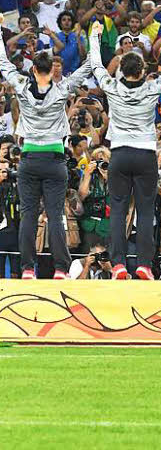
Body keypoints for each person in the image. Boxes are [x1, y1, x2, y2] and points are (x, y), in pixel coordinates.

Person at [0, 43, 91, 279]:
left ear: (32, 70)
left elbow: (3, 63)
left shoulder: (21, 85)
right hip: (54, 160)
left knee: (29, 215)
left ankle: (28, 269)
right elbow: (88, 66)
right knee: (55, 213)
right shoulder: (61, 89)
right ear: (52, 71)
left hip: (29, 159)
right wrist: (95, 35)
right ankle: (61, 269)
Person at [86, 22, 161, 279]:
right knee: (144, 211)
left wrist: (94, 37)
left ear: (121, 69)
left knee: (119, 209)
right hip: (145, 155)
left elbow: (97, 66)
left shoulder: (111, 86)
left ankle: (118, 265)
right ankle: (144, 265)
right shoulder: (153, 87)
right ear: (143, 70)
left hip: (119, 154)